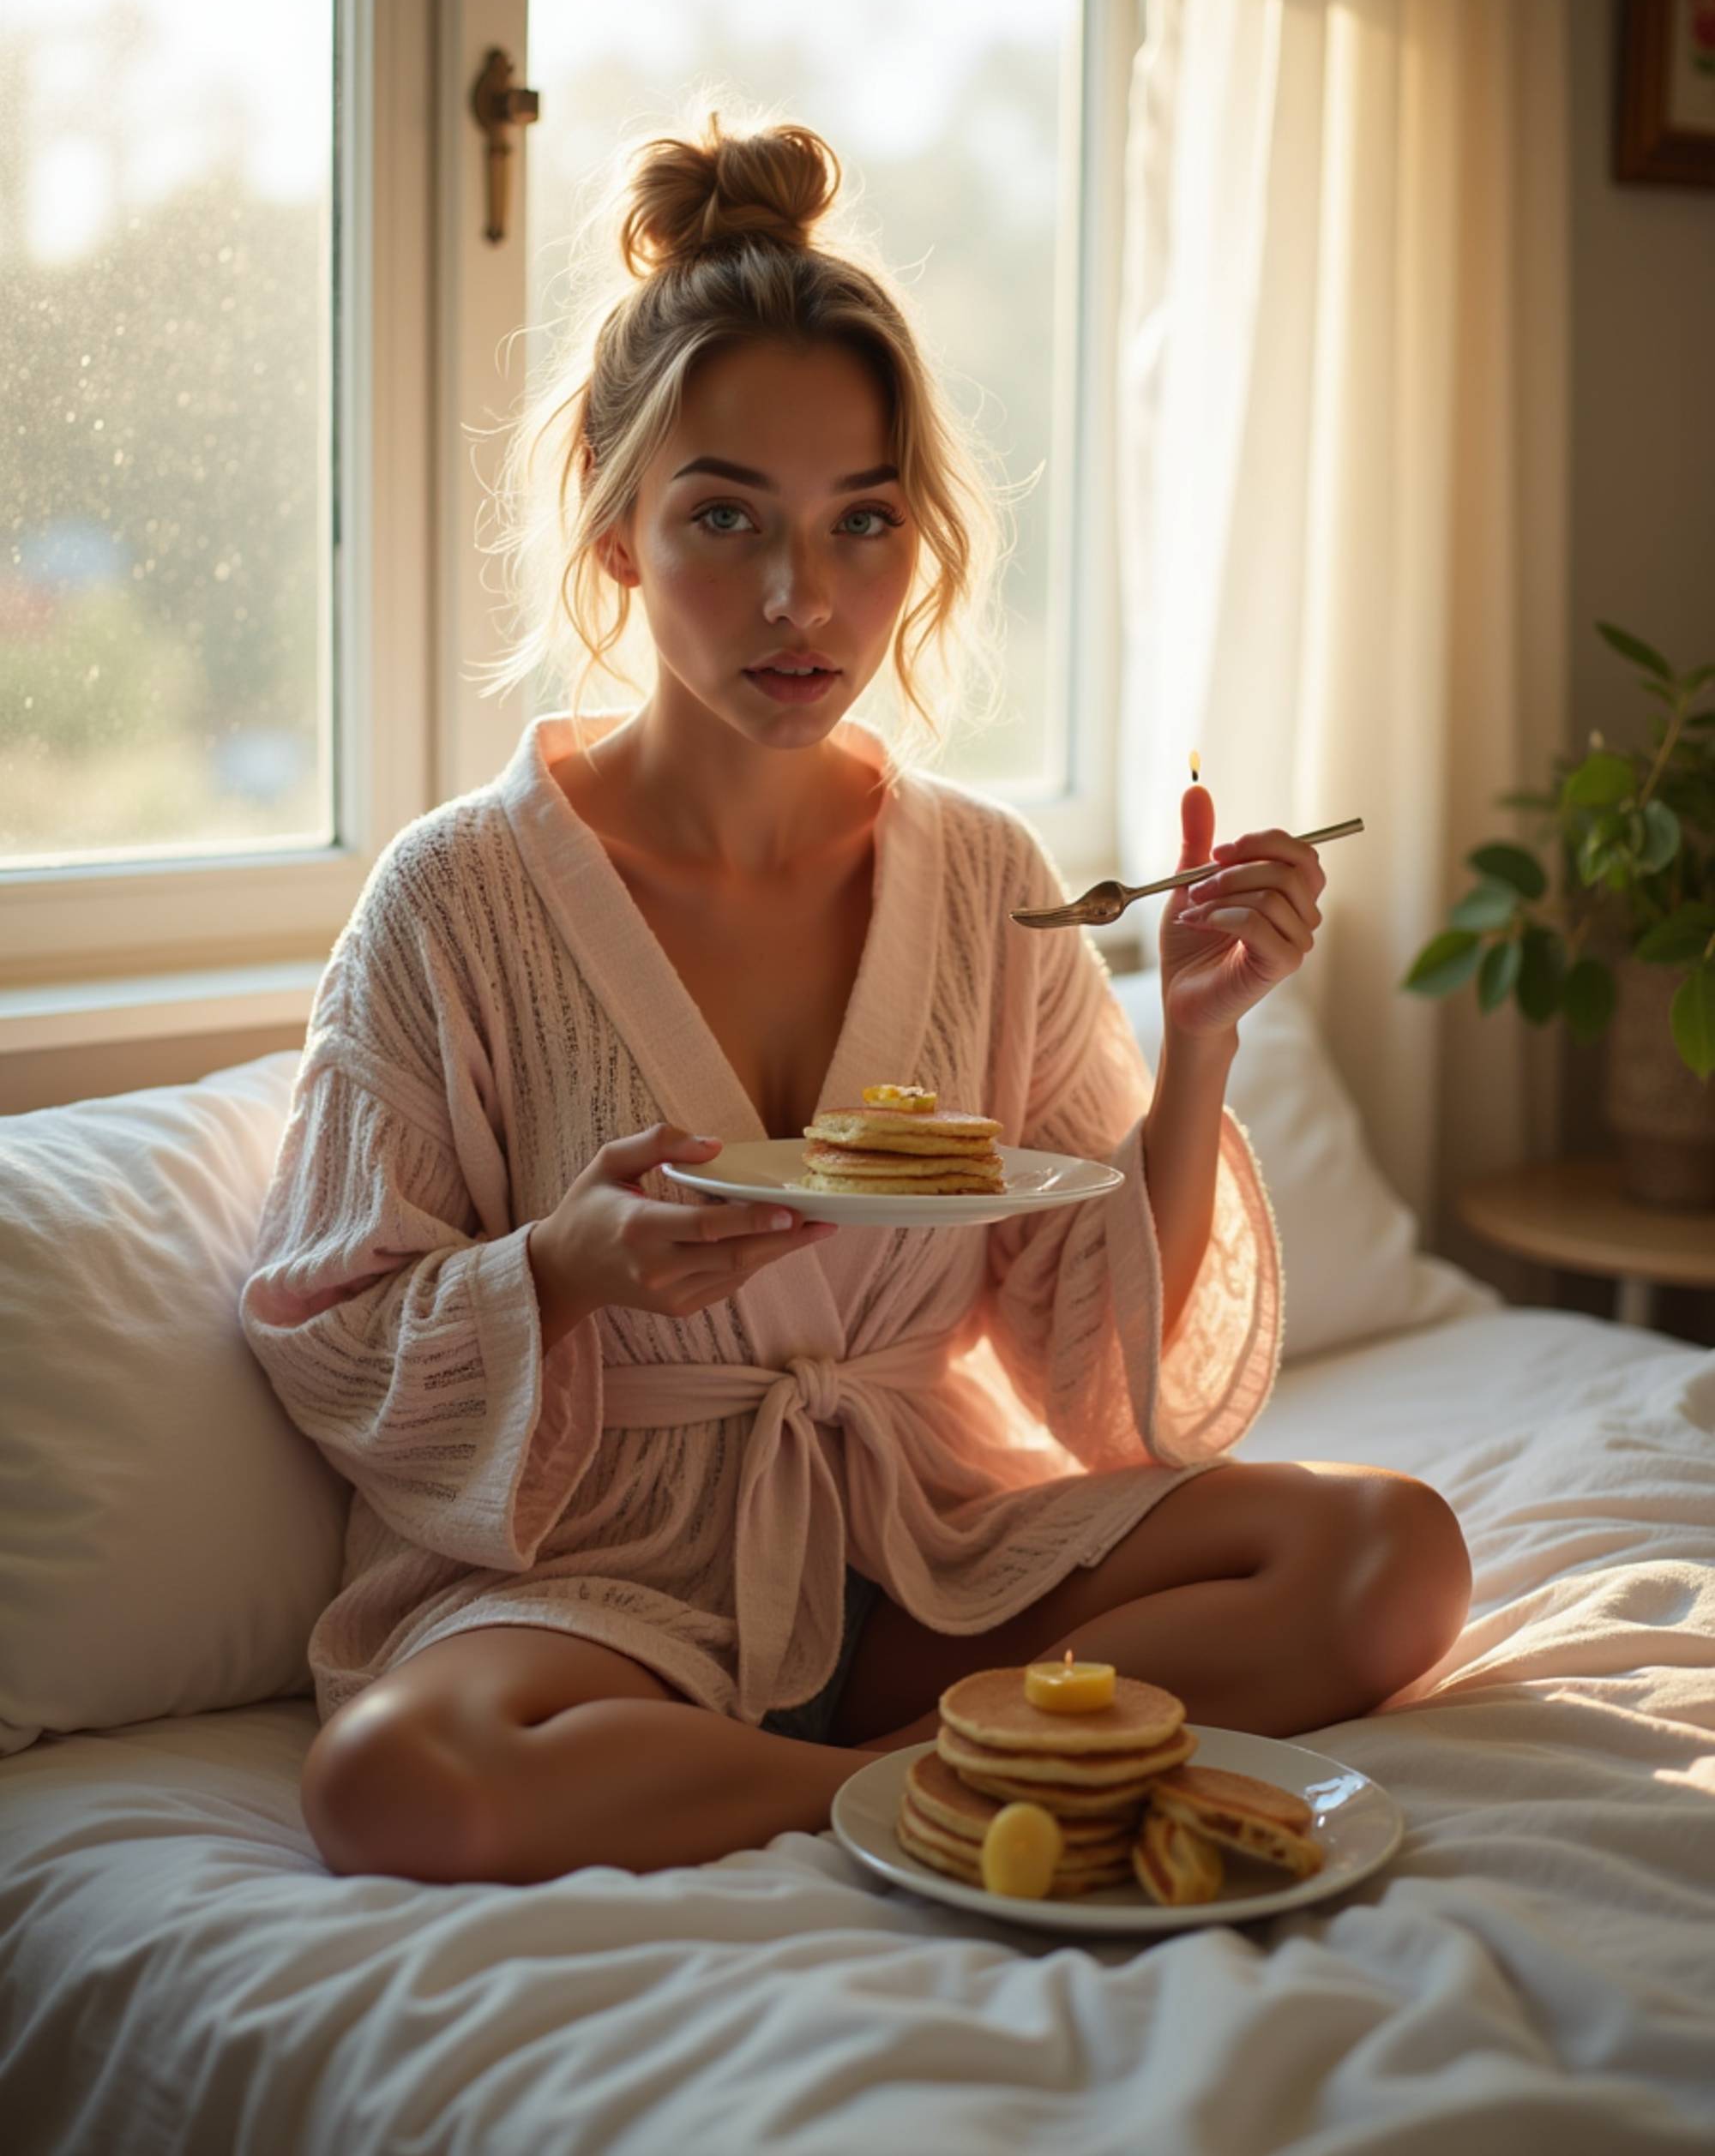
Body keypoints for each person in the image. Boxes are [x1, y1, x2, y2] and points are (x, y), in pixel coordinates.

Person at [240, 112, 1470, 1887]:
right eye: (723, 515)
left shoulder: (980, 875)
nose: (799, 597)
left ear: (920, 539)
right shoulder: (457, 894)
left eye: (861, 522)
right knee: (394, 1773)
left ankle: (871, 1773)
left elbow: (1085, 1352)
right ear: (614, 527)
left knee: (1394, 1554)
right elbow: (327, 1315)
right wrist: (564, 1268)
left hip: (928, 1540)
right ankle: (914, 1784)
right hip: (614, 1575)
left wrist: (1199, 1034)